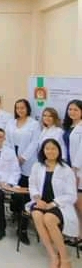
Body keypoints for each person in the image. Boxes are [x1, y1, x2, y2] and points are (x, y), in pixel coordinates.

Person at [28, 139, 78, 268]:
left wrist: (52, 204)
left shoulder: (66, 169)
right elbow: (32, 184)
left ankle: (65, 258)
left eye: (53, 149)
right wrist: (37, 198)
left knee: (49, 219)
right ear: (43, 151)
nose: (50, 151)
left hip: (59, 205)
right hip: (40, 202)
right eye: (47, 148)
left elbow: (72, 195)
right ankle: (53, 255)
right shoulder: (37, 166)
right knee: (38, 216)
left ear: (59, 151)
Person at [6, 98, 40, 245]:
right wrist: (13, 158)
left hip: (28, 163)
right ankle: (16, 215)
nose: (20, 110)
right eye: (17, 107)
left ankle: (23, 228)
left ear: (28, 109)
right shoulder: (11, 123)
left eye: (23, 108)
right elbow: (7, 140)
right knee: (14, 191)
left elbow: (35, 142)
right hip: (12, 160)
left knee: (25, 195)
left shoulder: (34, 124)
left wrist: (23, 157)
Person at [63, 99, 82, 243]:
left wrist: (75, 171)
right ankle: (77, 235)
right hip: (68, 169)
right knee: (72, 204)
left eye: (76, 109)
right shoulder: (69, 126)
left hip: (78, 170)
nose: (72, 112)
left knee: (79, 204)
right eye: (70, 109)